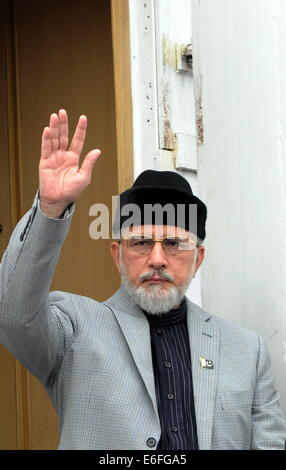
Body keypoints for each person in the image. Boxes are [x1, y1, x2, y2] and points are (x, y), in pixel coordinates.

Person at [0, 110, 285, 450]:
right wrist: (50, 208)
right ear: (118, 255)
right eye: (141, 242)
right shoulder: (74, 330)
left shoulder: (246, 350)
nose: (157, 258)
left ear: (198, 259)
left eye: (175, 244)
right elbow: (13, 313)